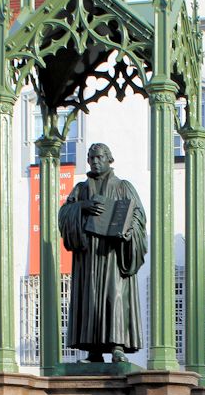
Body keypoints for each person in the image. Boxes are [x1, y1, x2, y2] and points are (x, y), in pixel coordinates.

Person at [58, 143, 147, 363]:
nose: (95, 162)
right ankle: (93, 350)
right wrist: (82, 207)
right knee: (90, 299)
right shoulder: (80, 189)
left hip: (113, 256)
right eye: (91, 158)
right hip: (88, 257)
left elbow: (138, 217)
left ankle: (117, 346)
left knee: (114, 298)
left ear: (109, 159)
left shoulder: (123, 187)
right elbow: (64, 215)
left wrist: (126, 232)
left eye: (99, 157)